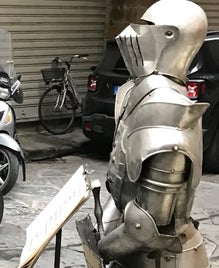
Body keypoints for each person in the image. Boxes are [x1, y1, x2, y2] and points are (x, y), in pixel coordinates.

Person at [82, 0, 209, 266]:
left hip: (160, 258)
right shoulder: (143, 91)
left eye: (147, 26)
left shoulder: (167, 107)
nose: (133, 33)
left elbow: (147, 226)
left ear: (170, 35)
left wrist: (101, 250)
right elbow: (126, 193)